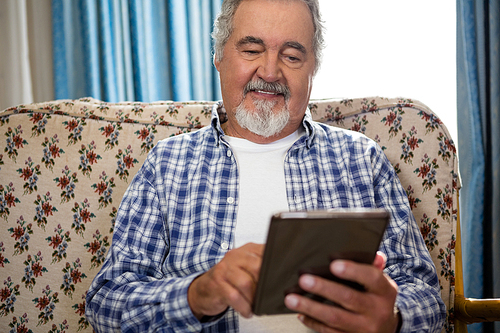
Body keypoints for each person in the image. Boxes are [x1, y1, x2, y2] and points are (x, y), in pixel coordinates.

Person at [85, 0, 446, 332]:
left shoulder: (361, 159)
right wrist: (196, 294)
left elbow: (427, 298)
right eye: (252, 49)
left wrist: (392, 320)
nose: (270, 71)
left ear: (312, 68)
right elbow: (105, 303)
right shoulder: (168, 164)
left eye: (291, 56)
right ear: (219, 56)